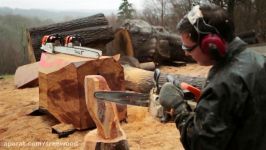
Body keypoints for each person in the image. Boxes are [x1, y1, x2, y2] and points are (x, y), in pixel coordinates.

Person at [159, 4, 266, 150]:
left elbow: (200, 144)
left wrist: (179, 109)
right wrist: (206, 103)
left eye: (188, 48)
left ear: (210, 44)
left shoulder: (223, 83)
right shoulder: (259, 60)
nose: (186, 53)